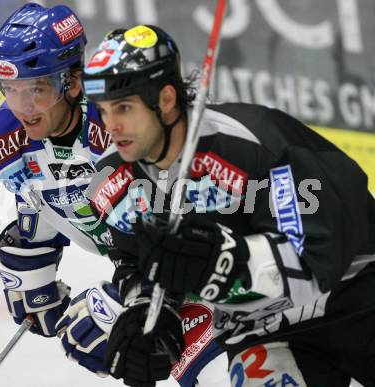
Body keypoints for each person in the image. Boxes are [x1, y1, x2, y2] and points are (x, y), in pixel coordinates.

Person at [82, 24, 375, 387]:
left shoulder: (253, 142)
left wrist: (225, 264)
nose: (111, 125)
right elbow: (134, 262)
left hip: (353, 299)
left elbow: (319, 252)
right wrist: (145, 311)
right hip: (260, 331)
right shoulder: (112, 179)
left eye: (123, 107)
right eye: (104, 110)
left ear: (166, 99)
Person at [0, 3, 229, 386]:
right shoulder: (8, 140)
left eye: (37, 89)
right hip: (148, 265)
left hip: (220, 261)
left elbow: (196, 214)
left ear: (74, 82)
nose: (22, 108)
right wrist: (31, 253)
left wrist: (132, 297)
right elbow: (41, 196)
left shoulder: (123, 122)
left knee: (214, 371)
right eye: (10, 91)